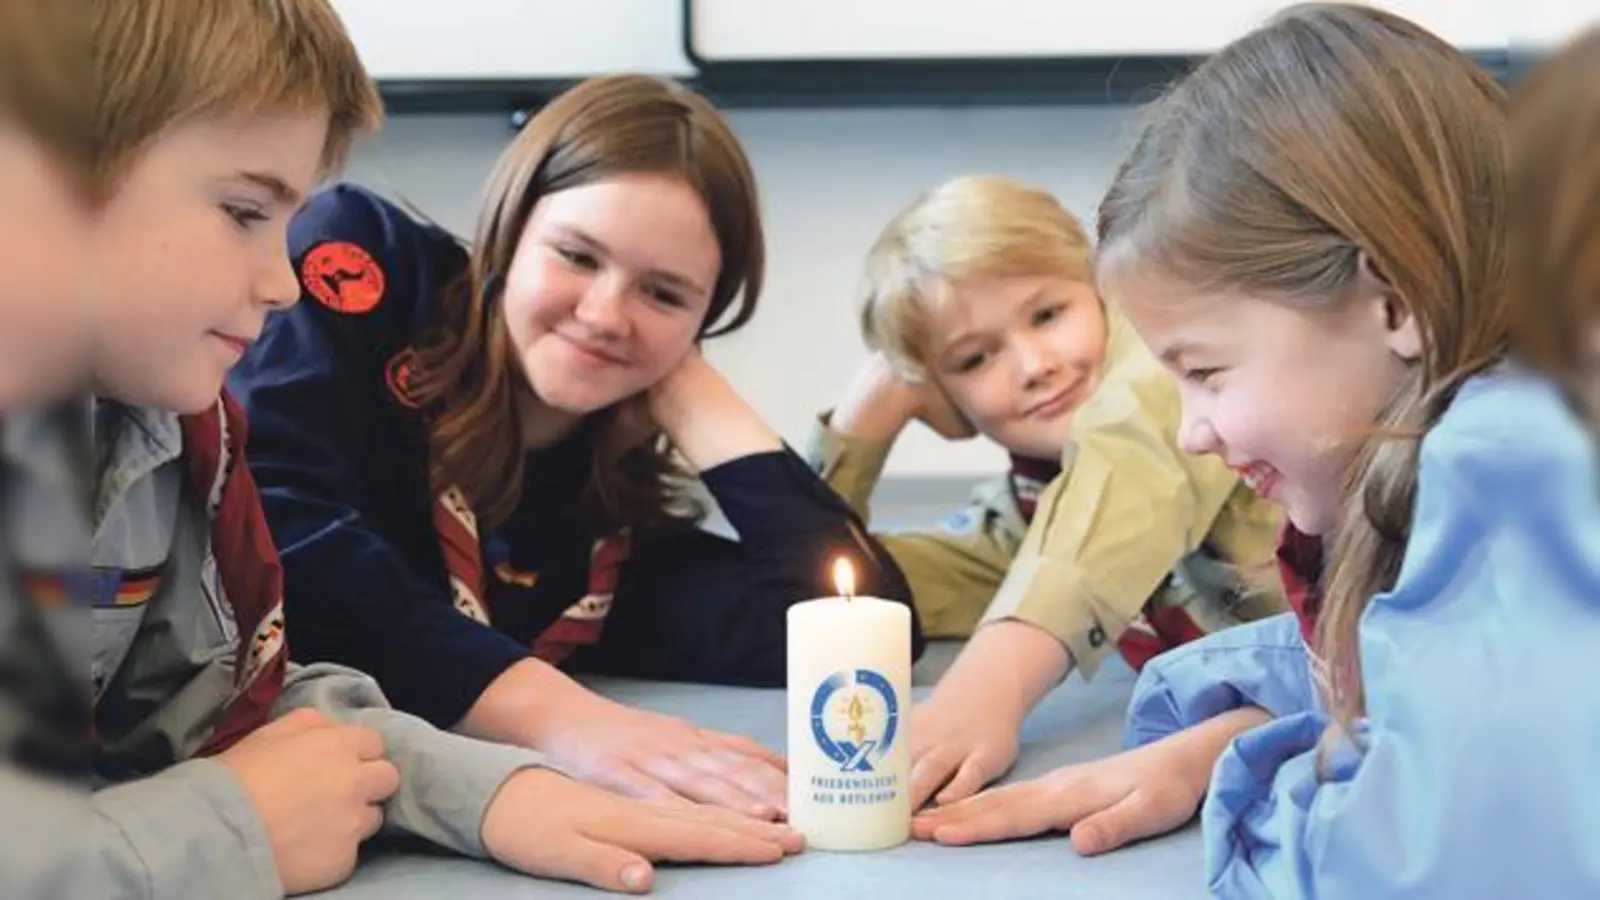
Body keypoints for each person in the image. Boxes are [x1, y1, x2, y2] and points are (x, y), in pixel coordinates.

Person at [0, 2, 806, 896]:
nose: (280, 281)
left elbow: (212, 707)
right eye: (241, 211)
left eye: (666, 295)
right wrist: (227, 828)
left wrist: (488, 793)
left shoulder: (155, 427)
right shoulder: (243, 367)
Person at [914, 10, 1594, 893]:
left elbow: (1405, 867)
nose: (1193, 431)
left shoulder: (1506, 465)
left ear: (1394, 302)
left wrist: (1253, 771)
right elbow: (1426, 673)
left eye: (1206, 372)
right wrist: (1230, 730)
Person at [227, 72, 918, 817]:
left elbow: (860, 630)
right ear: (509, 232)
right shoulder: (368, 263)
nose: (604, 314)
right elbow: (269, 523)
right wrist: (560, 717)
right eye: (578, 256)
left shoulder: (606, 538)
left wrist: (705, 408)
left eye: (665, 295)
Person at [809, 173, 1283, 809]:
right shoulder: (1028, 520)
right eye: (975, 359)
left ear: (1103, 292)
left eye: (1049, 314)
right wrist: (859, 430)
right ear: (945, 404)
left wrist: (987, 687)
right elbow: (833, 589)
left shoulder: (1173, 380)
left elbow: (1130, 457)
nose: (1036, 366)